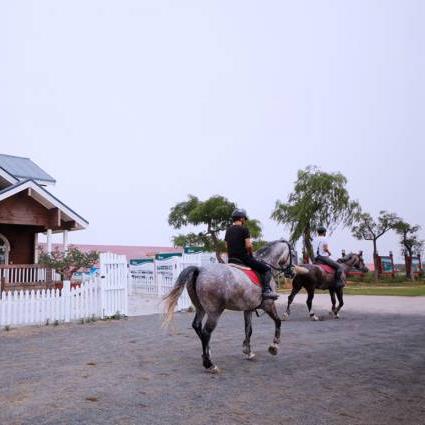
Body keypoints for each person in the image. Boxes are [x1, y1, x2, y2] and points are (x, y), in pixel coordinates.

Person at [225, 208, 278, 300]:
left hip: (231, 259)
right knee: (267, 269)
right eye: (244, 219)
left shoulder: (228, 230)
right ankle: (266, 290)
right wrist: (250, 252)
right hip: (243, 258)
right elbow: (248, 245)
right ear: (241, 218)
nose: (244, 221)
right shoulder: (244, 229)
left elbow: (226, 245)